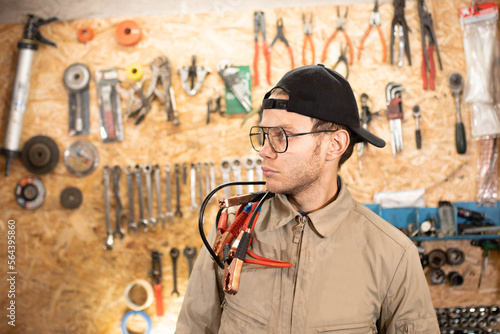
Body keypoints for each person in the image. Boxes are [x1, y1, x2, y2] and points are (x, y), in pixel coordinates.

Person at [175, 64, 439, 333]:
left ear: (334, 145)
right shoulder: (232, 229)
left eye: (282, 135)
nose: (264, 151)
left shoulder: (392, 255)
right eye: (264, 135)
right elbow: (194, 327)